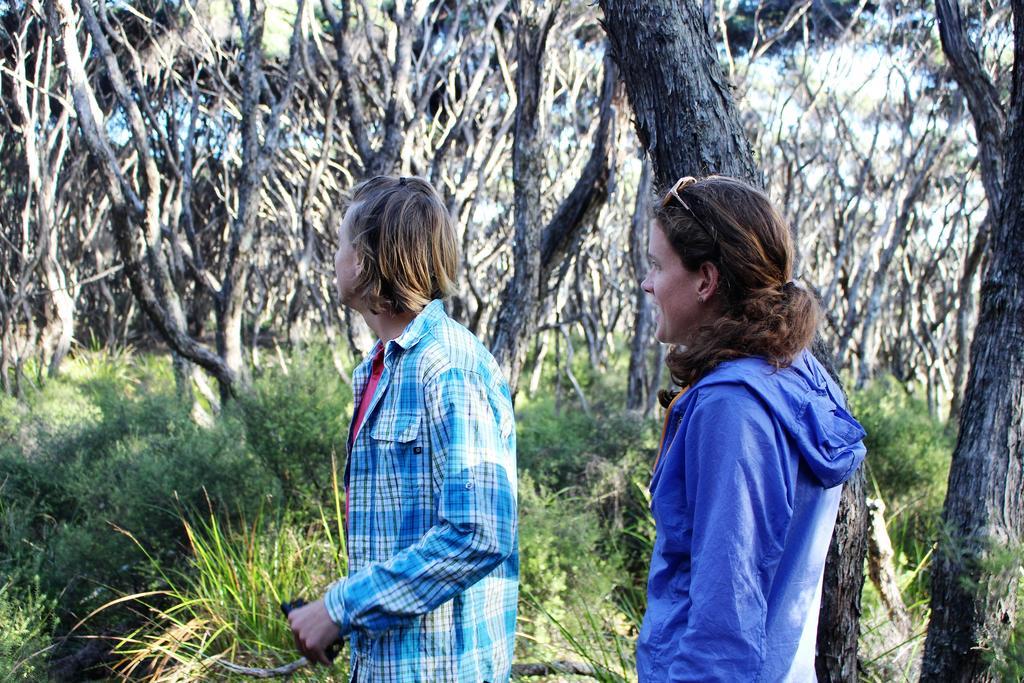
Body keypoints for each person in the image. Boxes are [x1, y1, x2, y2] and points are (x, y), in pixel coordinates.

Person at [288, 175, 518, 682]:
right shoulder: (377, 369)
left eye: (342, 242)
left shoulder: (448, 367)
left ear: (368, 260)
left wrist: (340, 608)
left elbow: (480, 532)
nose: (335, 255)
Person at [637, 175, 866, 681]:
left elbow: (725, 622)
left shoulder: (732, 407)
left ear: (706, 280)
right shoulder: (796, 371)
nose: (647, 283)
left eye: (657, 265)